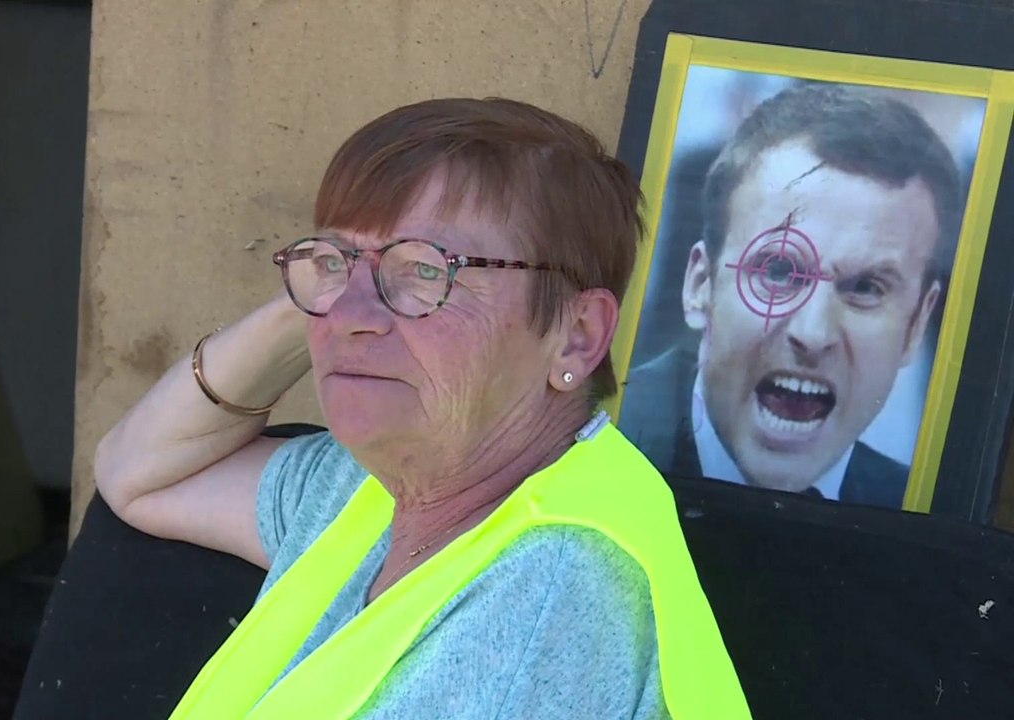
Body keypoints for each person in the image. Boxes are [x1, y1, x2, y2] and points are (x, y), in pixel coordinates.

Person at [95, 97, 749, 718]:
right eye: (331, 262)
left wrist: (349, 281)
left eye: (427, 271)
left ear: (575, 334)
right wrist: (322, 299)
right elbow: (142, 474)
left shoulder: (556, 591)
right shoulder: (379, 482)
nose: (352, 315)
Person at [620, 83, 962, 509]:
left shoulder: (910, 506)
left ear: (915, 326)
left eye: (865, 288)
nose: (813, 333)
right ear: (700, 285)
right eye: (778, 270)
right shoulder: (599, 447)